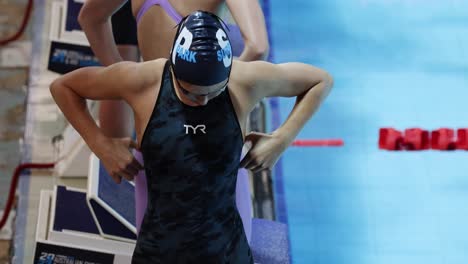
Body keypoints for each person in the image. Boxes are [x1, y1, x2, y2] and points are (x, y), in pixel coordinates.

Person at [51, 11, 332, 262]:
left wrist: (282, 139)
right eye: (191, 92)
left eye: (214, 91)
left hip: (226, 245)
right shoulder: (142, 80)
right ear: (173, 67)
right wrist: (101, 145)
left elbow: (320, 80)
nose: (204, 102)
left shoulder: (245, 79)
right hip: (159, 246)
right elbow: (64, 87)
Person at [78, 0, 270, 238]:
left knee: (157, 243)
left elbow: (90, 18)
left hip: (156, 129)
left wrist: (123, 77)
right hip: (211, 131)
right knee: (229, 242)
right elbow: (258, 46)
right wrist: (222, 89)